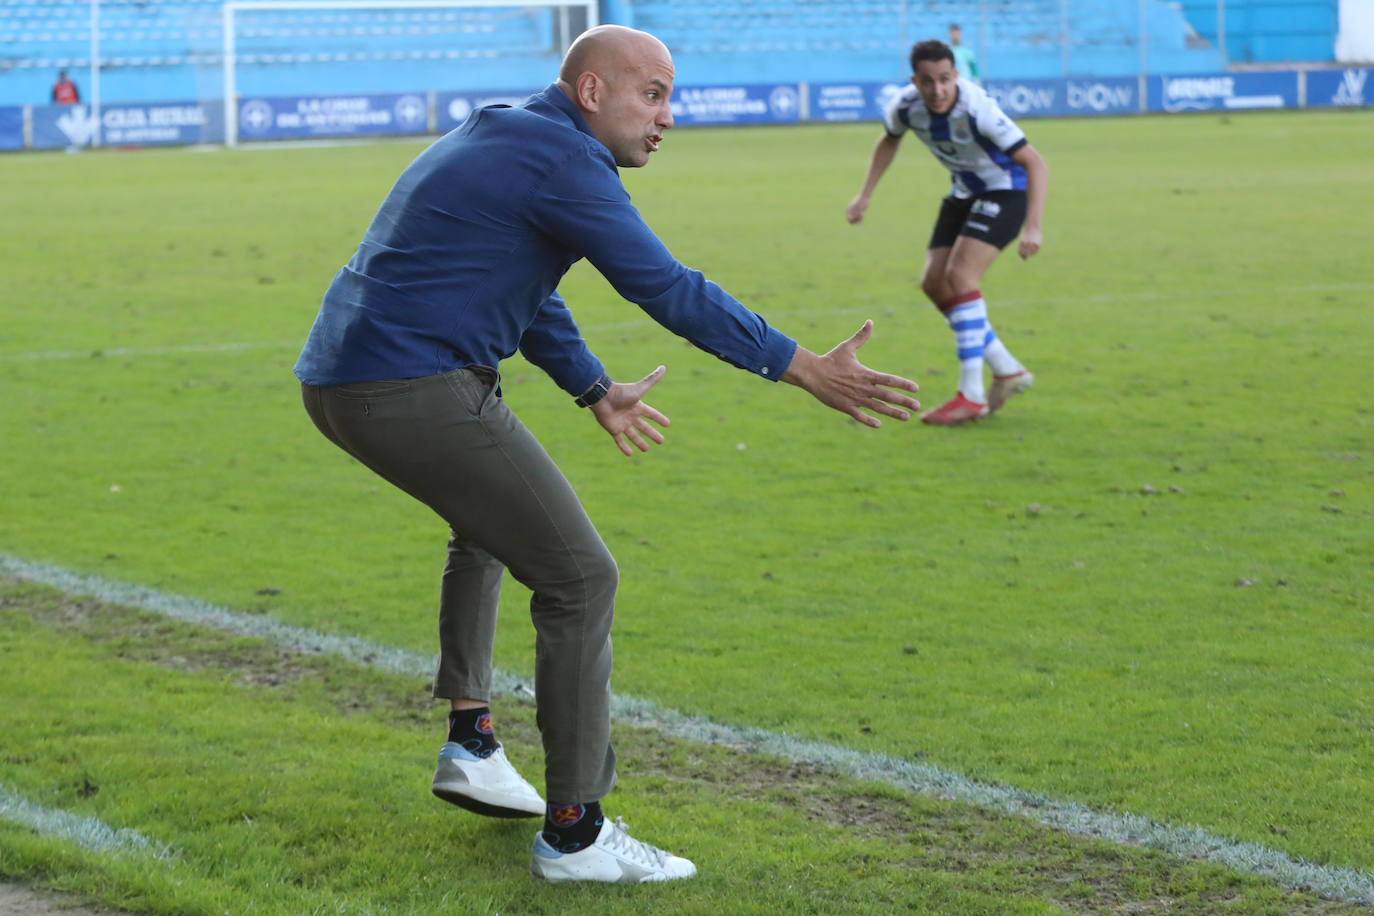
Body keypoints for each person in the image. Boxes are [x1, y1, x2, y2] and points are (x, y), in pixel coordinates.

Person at [294, 25, 920, 884]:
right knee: (581, 578)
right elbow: (664, 286)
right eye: (652, 93)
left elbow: (527, 283)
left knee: (489, 528)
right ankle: (576, 832)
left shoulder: (515, 130)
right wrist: (802, 366)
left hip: (346, 378)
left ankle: (472, 745)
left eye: (672, 95)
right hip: (409, 384)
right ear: (592, 93)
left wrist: (592, 388)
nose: (668, 116)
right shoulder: (563, 160)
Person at [845, 39, 1047, 425]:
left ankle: (971, 393)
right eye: (927, 81)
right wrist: (864, 195)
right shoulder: (905, 107)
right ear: (914, 81)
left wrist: (1033, 227)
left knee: (960, 276)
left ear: (956, 75)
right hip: (964, 193)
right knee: (934, 283)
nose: (937, 90)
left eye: (944, 79)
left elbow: (1035, 163)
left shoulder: (978, 108)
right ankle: (1006, 368)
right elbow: (888, 140)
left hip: (1006, 190)